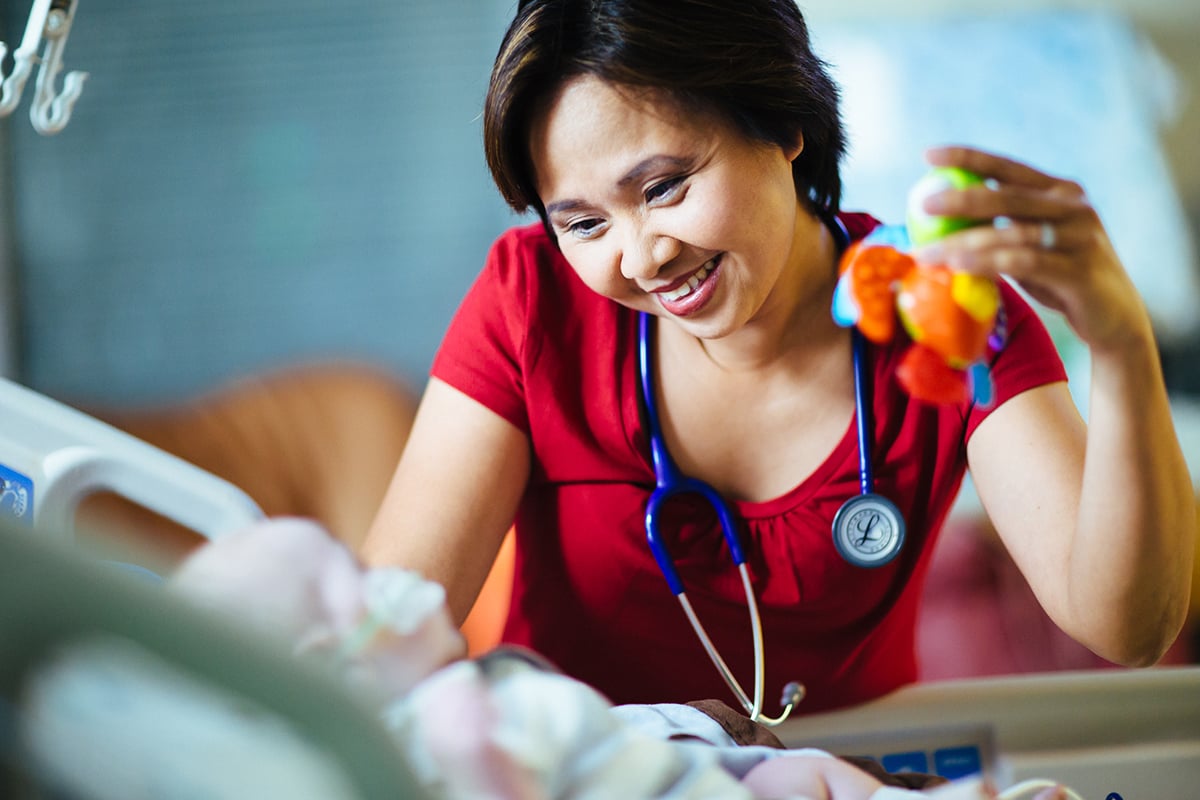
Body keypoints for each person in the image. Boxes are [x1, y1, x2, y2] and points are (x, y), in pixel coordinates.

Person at [362, 0, 1195, 718]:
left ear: (784, 122)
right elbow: (384, 638)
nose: (643, 256)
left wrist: (1119, 343)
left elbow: (1126, 627)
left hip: (848, 775)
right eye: (583, 223)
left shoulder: (944, 314)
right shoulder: (528, 305)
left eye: (664, 187)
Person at [167, 518, 1069, 800]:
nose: (391, 578)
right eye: (354, 582)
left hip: (699, 775)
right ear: (333, 660)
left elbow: (591, 736)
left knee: (809, 779)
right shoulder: (430, 742)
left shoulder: (483, 684)